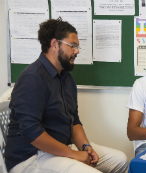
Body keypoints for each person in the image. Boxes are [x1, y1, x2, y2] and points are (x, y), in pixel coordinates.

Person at [5, 17, 128, 173]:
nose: (77, 51)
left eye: (77, 46)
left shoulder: (66, 77)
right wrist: (74, 155)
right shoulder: (32, 78)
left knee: (121, 161)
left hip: (60, 148)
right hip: (31, 157)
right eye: (72, 46)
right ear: (54, 44)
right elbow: (31, 132)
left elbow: (73, 119)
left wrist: (85, 147)